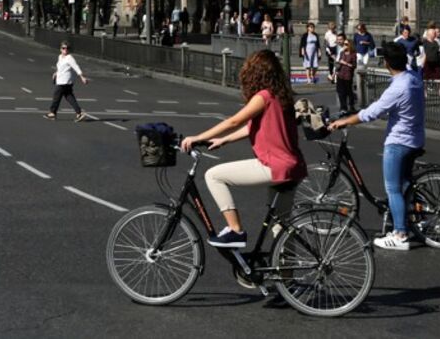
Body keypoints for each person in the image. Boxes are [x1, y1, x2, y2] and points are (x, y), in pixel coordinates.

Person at [181, 50, 307, 249]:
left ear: (255, 73)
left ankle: (235, 230)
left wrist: (199, 137)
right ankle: (286, 277)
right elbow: (253, 127)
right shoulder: (281, 97)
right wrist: (224, 140)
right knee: (281, 228)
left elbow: (235, 120)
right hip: (293, 167)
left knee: (214, 176)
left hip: (273, 165)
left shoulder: (263, 96)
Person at [330, 42, 425, 251]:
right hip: (416, 139)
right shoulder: (414, 79)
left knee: (393, 189)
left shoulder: (398, 87)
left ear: (387, 63)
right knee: (405, 183)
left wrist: (344, 121)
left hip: (399, 142)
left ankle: (400, 234)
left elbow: (371, 113)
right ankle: (411, 221)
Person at [45, 41, 88, 122]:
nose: (65, 50)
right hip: (61, 80)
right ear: (60, 49)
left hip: (64, 81)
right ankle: (79, 113)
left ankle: (52, 113)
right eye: (63, 48)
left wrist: (82, 77)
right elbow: (60, 67)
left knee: (56, 96)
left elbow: (76, 67)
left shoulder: (70, 58)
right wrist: (56, 73)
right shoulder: (60, 57)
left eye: (67, 48)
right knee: (69, 97)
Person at [331, 38, 358, 115]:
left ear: (350, 45)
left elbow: (354, 66)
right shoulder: (342, 53)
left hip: (348, 75)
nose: (344, 46)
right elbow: (338, 62)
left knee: (349, 92)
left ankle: (351, 106)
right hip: (340, 74)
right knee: (340, 92)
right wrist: (335, 72)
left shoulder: (353, 54)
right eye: (344, 44)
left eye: (346, 44)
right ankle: (343, 107)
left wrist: (345, 63)